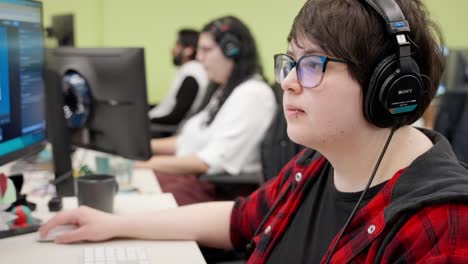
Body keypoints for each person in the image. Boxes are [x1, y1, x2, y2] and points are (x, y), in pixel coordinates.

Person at [40, 0, 468, 263]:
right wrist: (112, 223)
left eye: (314, 65)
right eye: (291, 62)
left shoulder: (442, 224)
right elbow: (238, 218)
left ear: (391, 88)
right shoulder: (316, 165)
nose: (288, 81)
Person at [136, 16, 277, 205]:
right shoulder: (224, 90)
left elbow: (206, 162)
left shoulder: (252, 94)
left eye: (206, 50)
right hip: (197, 181)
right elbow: (186, 142)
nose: (199, 57)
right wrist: (137, 148)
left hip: (219, 193)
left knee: (138, 197)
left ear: (232, 51)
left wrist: (138, 164)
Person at [148, 29, 208, 131]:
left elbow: (175, 117)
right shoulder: (189, 71)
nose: (172, 48)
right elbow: (171, 105)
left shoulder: (191, 76)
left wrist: (145, 120)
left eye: (177, 45)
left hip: (171, 132)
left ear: (188, 50)